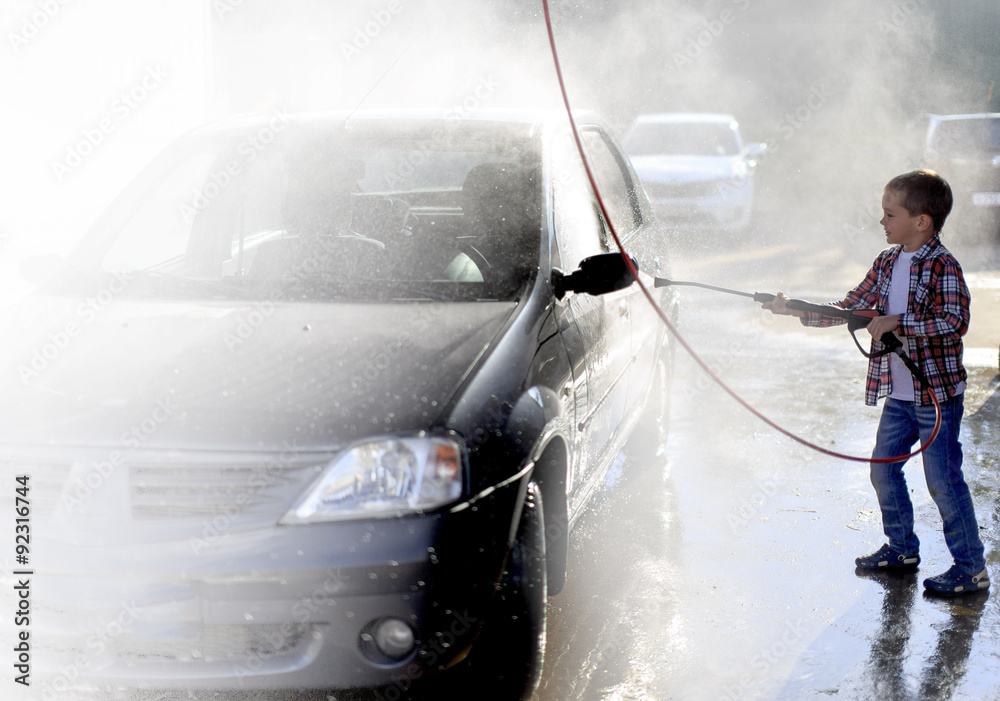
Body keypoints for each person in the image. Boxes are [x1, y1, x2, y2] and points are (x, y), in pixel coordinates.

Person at [764, 169, 988, 597]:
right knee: (883, 470)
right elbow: (851, 307)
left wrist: (898, 322)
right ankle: (902, 549)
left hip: (935, 397)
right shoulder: (886, 262)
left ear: (921, 221)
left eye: (889, 214)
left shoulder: (944, 265)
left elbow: (954, 321)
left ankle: (971, 569)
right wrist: (794, 308)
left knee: (943, 481)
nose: (881, 222)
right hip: (900, 397)